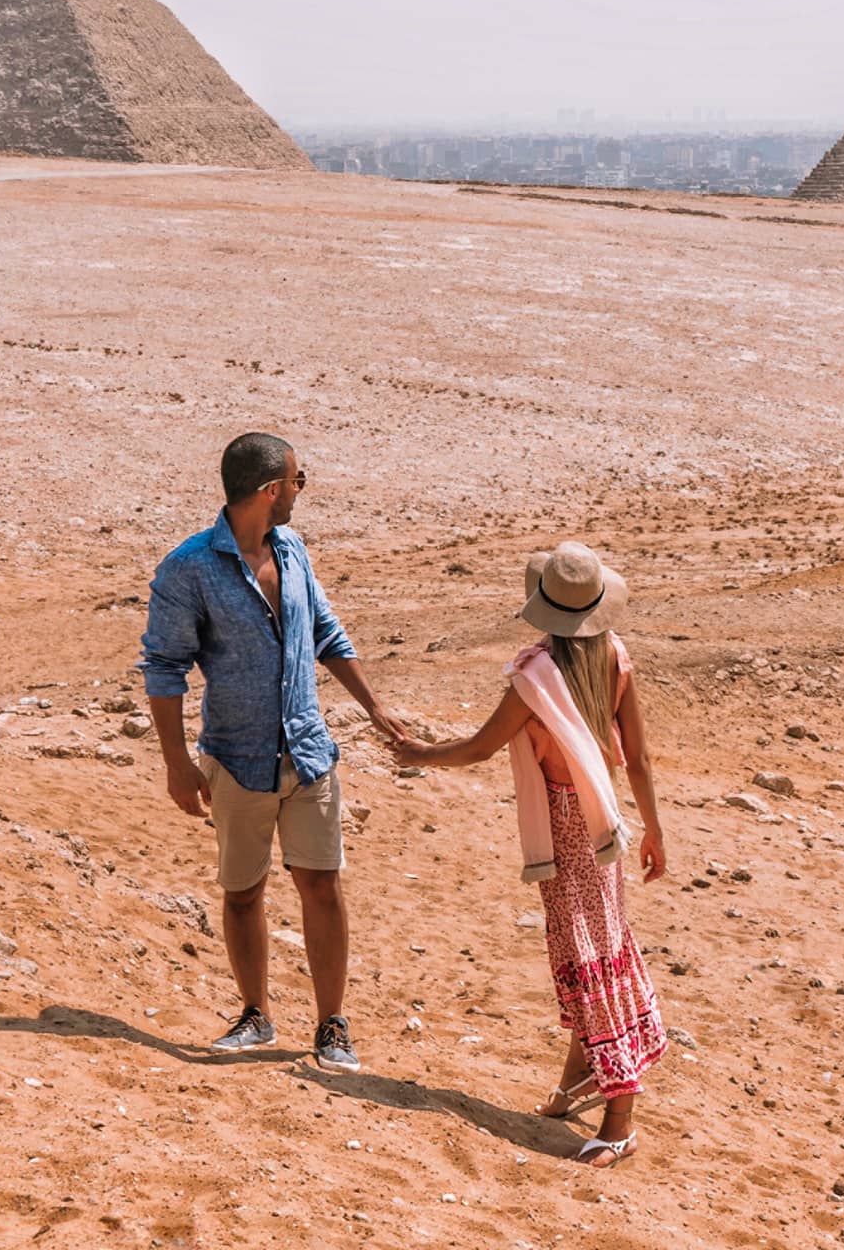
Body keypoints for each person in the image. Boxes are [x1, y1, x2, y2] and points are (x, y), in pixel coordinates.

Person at [389, 542, 668, 1165]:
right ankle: (580, 1079)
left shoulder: (534, 679)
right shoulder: (616, 658)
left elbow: (482, 748)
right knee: (594, 946)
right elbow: (640, 760)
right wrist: (654, 831)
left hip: (568, 827)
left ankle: (621, 1115)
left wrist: (422, 754)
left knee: (592, 957)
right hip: (605, 825)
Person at [139, 432, 403, 1072]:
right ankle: (255, 1014)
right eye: (296, 480)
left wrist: (373, 706)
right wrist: (177, 764)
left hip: (308, 752)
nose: (300, 490)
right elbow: (164, 669)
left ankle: (331, 1024)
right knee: (243, 891)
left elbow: (325, 631)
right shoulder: (189, 569)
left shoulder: (293, 549)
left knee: (322, 884)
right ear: (269, 490)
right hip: (236, 756)